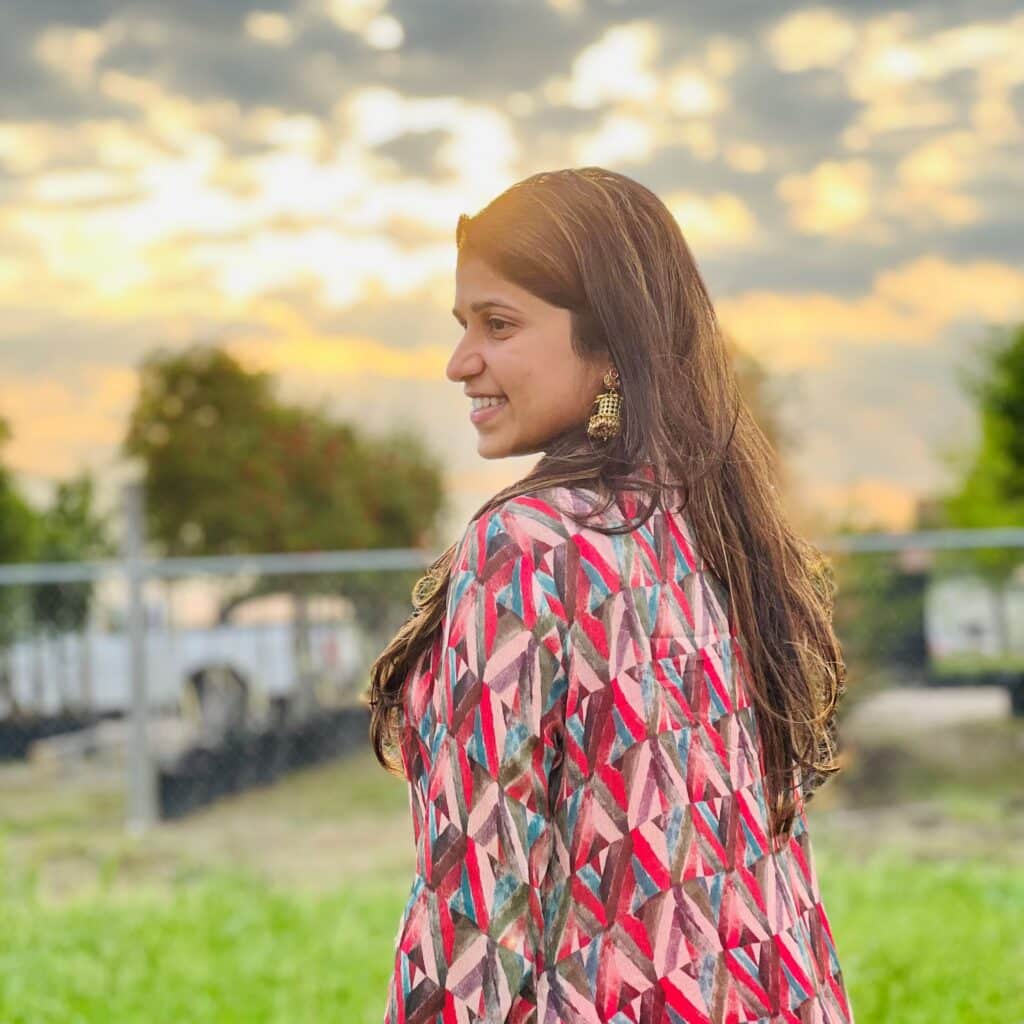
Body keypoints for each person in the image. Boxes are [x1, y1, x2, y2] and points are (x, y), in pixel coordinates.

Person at [367, 167, 855, 1024]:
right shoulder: (715, 531)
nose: (459, 362)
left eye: (499, 324)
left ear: (607, 343)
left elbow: (478, 909)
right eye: (462, 325)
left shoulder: (527, 546)